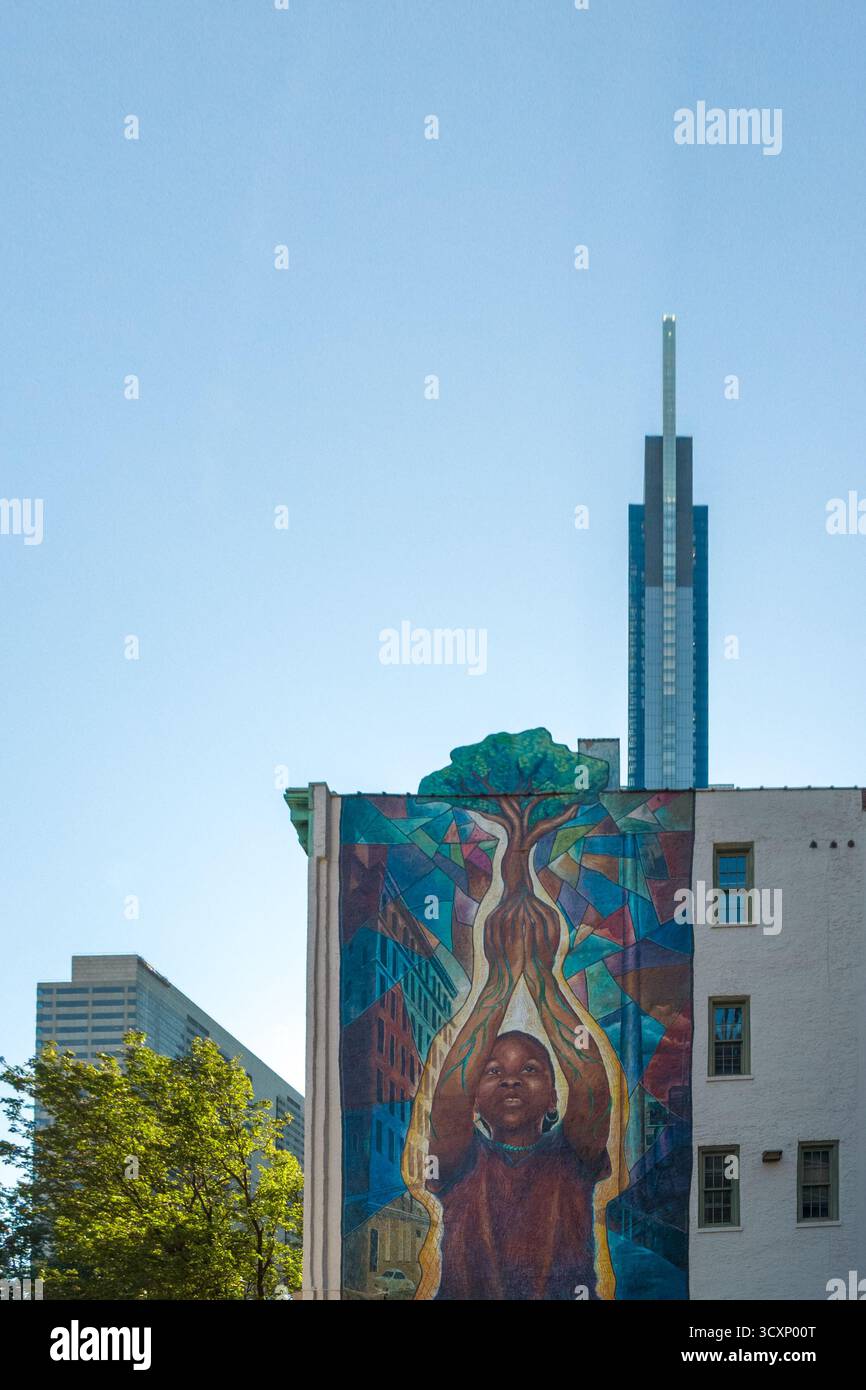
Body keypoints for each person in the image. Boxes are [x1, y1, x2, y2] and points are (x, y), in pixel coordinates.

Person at [427, 891, 612, 1300]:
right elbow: (448, 1098)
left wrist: (543, 977)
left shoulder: (572, 1155)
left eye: (529, 1070)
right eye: (493, 1072)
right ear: (475, 1099)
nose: (511, 1080)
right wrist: (500, 982)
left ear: (552, 1097)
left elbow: (593, 1087)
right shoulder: (460, 1159)